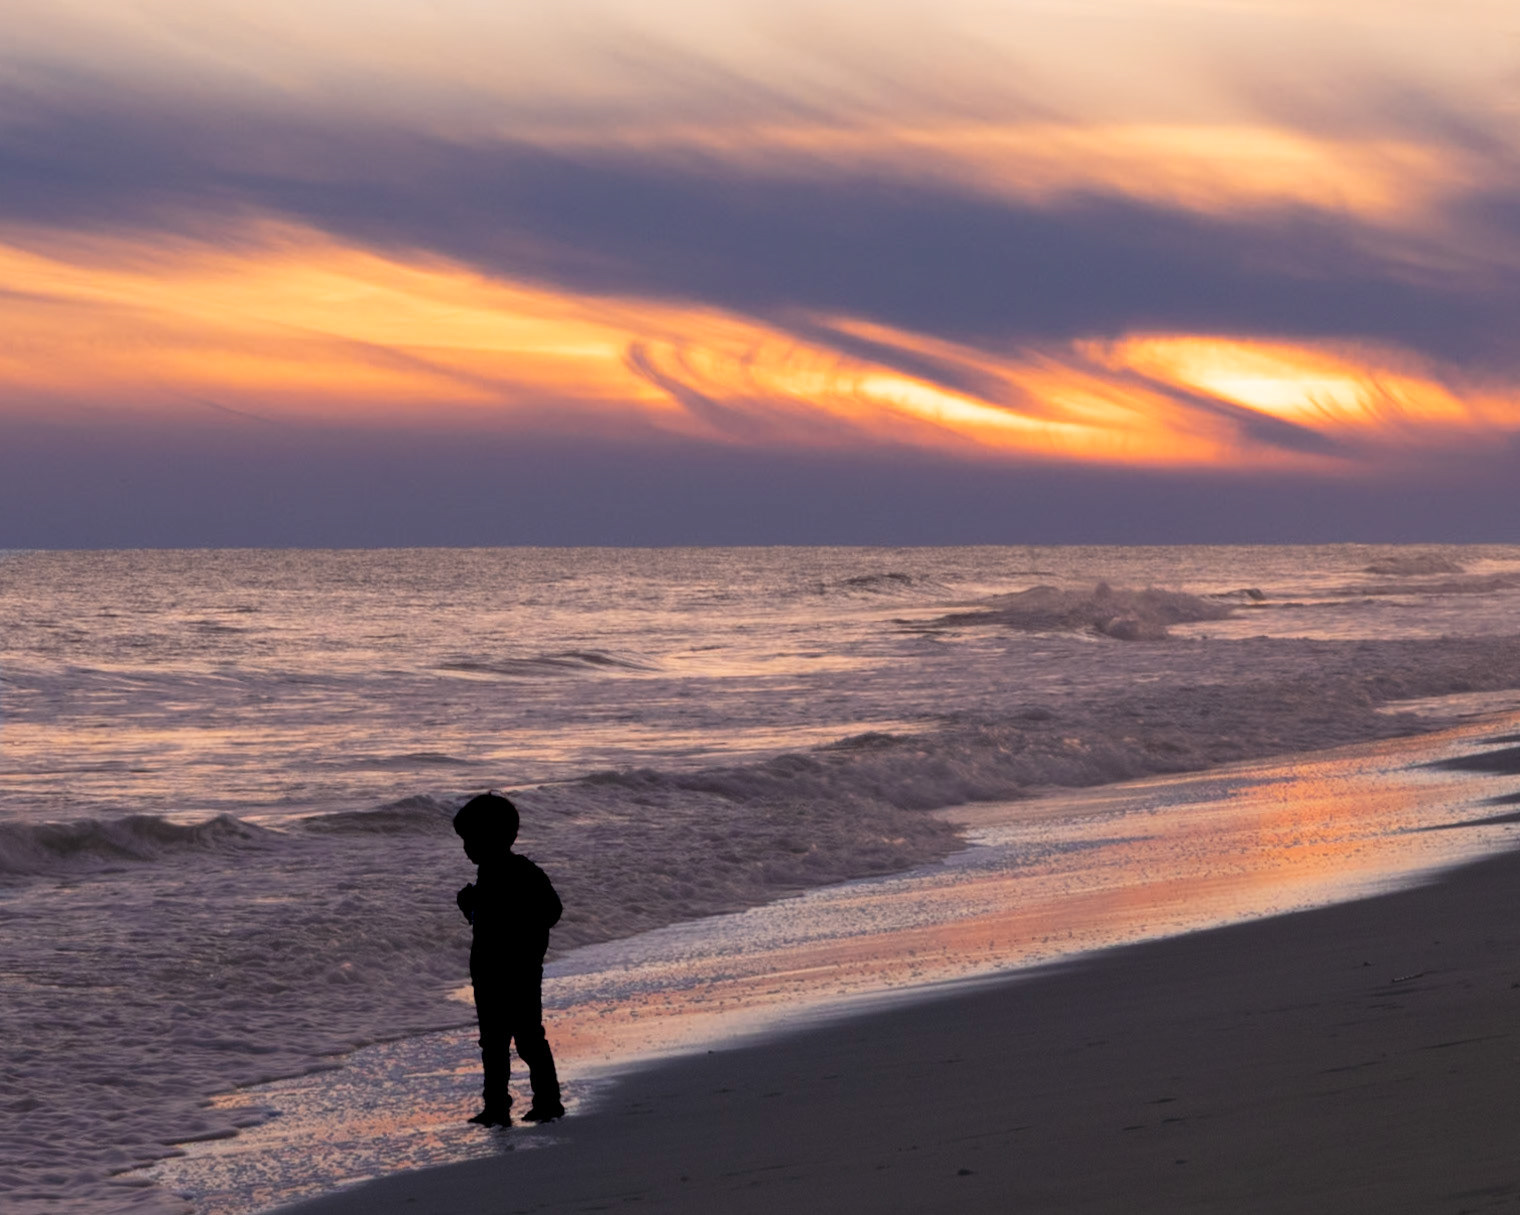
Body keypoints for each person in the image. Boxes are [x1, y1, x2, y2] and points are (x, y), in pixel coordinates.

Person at [454, 792, 565, 1126]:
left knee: (524, 1039)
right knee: (497, 1041)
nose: (466, 848)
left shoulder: (518, 872)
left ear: (494, 837)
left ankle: (544, 1102)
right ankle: (499, 1106)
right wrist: (471, 906)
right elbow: (488, 919)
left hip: (515, 971)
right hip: (494, 971)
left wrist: (520, 935)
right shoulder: (494, 875)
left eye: (470, 839)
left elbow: (549, 911)